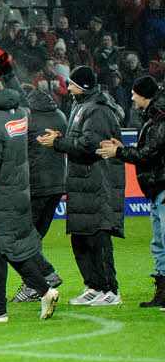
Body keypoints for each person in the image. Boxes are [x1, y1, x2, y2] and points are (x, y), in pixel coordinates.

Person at [0, 77, 61, 324]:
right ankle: (21, 300)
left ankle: (21, 300)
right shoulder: (20, 117)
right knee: (2, 249)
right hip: (19, 193)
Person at [38, 66, 126, 306]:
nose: (69, 87)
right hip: (81, 182)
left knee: (97, 237)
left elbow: (90, 145)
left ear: (83, 86)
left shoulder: (98, 110)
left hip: (97, 182)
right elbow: (79, 139)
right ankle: (94, 286)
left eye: (73, 83)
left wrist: (59, 142)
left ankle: (111, 291)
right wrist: (61, 139)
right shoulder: (82, 106)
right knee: (80, 238)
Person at [96, 76, 165, 307]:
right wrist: (124, 149)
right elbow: (150, 150)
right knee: (160, 243)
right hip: (157, 189)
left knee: (163, 241)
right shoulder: (155, 116)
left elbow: (149, 154)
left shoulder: (160, 117)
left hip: (162, 187)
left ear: (145, 95)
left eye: (135, 93)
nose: (132, 97)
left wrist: (120, 153)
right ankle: (163, 293)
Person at [11, 83, 68, 302]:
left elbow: (19, 151)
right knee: (35, 236)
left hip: (35, 186)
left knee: (24, 238)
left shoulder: (28, 117)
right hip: (56, 185)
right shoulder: (58, 114)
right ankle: (42, 278)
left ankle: (40, 281)